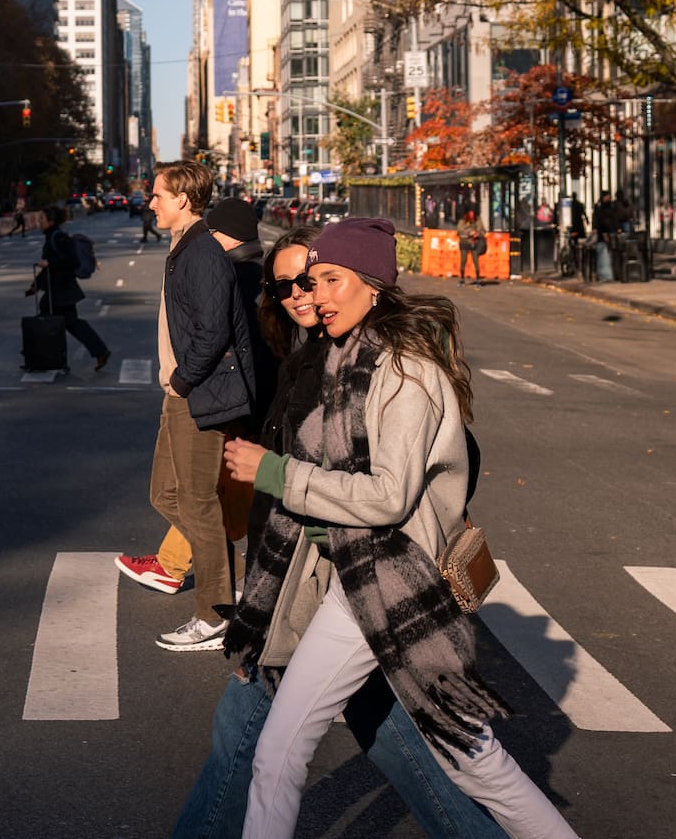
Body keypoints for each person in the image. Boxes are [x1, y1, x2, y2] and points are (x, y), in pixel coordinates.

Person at [220, 218, 580, 839]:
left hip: (388, 581)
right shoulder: (341, 357)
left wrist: (276, 473)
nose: (320, 295)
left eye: (334, 280)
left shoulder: (406, 370)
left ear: (375, 285)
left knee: (289, 753)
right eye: (313, 281)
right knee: (471, 762)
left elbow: (388, 497)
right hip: (359, 577)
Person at [117, 160, 259, 652]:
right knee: (166, 495)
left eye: (157, 195)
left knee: (197, 502)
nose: (150, 202)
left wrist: (181, 379)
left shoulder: (201, 252)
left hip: (199, 394)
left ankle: (214, 615)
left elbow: (213, 332)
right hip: (182, 391)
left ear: (182, 199)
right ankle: (240, 580)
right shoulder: (185, 247)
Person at [133, 197, 275, 598]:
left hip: (234, 404)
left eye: (213, 232)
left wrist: (182, 381)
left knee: (209, 501)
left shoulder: (235, 275)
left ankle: (216, 580)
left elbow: (225, 342)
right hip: (247, 403)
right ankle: (212, 570)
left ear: (225, 236)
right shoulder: (252, 273)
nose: (208, 238)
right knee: (208, 500)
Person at [30, 203, 111, 372]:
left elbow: (70, 261)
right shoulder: (52, 236)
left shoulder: (58, 238)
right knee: (70, 324)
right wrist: (35, 285)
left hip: (61, 292)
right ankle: (98, 351)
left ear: (51, 221)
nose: (39, 222)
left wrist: (49, 263)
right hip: (60, 291)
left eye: (42, 219)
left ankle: (51, 360)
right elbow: (50, 268)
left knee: (49, 323)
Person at [457, 208, 487, 287]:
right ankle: (462, 278)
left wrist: (478, 233)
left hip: (474, 243)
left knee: (476, 261)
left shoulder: (478, 221)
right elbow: (459, 231)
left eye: (473, 213)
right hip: (464, 243)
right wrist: (469, 233)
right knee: (463, 260)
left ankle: (477, 279)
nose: (471, 215)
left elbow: (483, 230)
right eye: (470, 213)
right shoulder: (462, 221)